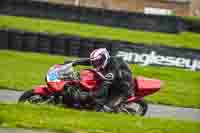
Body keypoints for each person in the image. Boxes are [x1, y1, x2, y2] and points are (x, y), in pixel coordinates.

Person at [69, 48, 134, 112]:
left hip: (123, 89)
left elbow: (103, 89)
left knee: (106, 109)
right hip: (113, 83)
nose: (95, 64)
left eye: (97, 62)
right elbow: (89, 61)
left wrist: (88, 96)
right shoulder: (103, 61)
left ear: (103, 59)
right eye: (94, 62)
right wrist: (74, 62)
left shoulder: (112, 68)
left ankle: (118, 110)